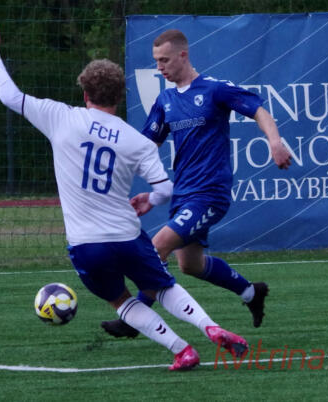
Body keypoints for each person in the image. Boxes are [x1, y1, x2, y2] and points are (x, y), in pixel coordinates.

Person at [0, 24, 249, 371]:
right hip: (126, 236)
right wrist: (151, 200)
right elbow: (165, 189)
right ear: (120, 96)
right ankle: (210, 326)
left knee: (121, 301)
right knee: (162, 286)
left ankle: (181, 349)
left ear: (85, 93)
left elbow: (9, 96)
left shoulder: (60, 117)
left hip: (86, 244)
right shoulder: (135, 140)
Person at [102, 29, 292, 339]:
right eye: (156, 61)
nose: (160, 67)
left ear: (183, 55)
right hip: (183, 194)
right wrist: (131, 181)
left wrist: (275, 142)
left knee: (156, 247)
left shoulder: (214, 89)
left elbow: (258, 110)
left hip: (210, 194)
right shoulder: (165, 100)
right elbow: (145, 147)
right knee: (190, 265)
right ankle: (251, 292)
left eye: (165, 60)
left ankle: (134, 320)